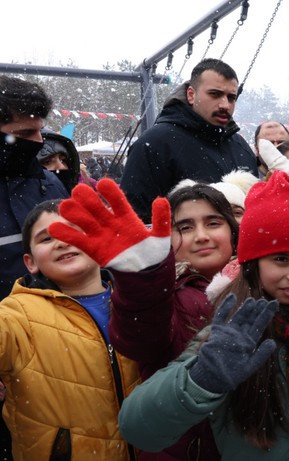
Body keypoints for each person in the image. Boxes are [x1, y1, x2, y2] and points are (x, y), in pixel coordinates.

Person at [117, 171, 289, 459]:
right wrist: (202, 379)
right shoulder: (234, 329)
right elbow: (137, 427)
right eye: (281, 259)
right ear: (252, 264)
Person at [49, 179, 240, 460]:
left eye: (213, 223)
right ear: (169, 236)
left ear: (232, 231)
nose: (200, 235)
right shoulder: (162, 293)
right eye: (185, 227)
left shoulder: (263, 280)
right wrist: (143, 276)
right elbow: (140, 341)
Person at [0, 200, 140, 460]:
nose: (62, 241)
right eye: (46, 238)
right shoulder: (17, 314)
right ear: (31, 263)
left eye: (75, 230)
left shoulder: (137, 301)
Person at [121, 58, 257, 222]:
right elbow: (135, 219)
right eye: (215, 94)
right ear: (191, 95)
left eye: (231, 97)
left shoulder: (241, 147)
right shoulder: (155, 144)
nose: (225, 105)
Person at [1, 76, 68, 297]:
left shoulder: (50, 183)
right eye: (25, 134)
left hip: (58, 320)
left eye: (40, 130)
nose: (39, 141)